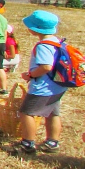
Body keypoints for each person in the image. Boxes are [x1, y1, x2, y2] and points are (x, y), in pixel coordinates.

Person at [8, 10, 65, 155]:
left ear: (34, 29)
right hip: (57, 87)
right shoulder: (57, 42)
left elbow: (46, 66)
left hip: (43, 88)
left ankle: (27, 144)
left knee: (26, 113)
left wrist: (30, 75)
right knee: (53, 113)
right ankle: (52, 142)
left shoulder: (43, 45)